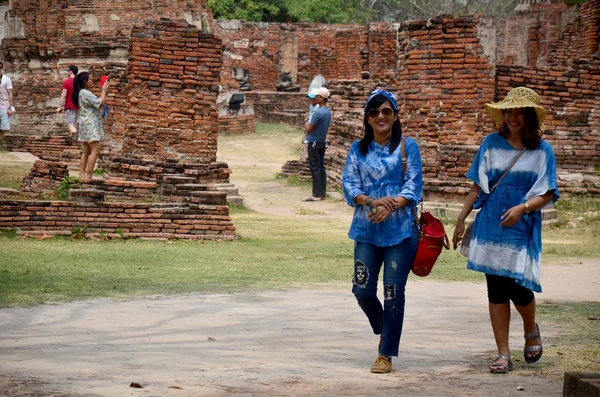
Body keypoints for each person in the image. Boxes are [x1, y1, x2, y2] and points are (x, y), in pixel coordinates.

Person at [452, 87, 559, 374]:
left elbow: (549, 193)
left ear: (529, 116)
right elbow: (477, 185)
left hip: (521, 225)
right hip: (490, 223)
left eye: (519, 112)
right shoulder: (490, 143)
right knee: (496, 288)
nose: (512, 117)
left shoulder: (542, 150)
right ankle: (503, 353)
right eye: (508, 111)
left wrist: (523, 208)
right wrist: (461, 220)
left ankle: (530, 328)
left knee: (519, 287)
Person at [342, 89, 423, 374]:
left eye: (386, 111)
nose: (380, 116)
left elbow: (414, 185)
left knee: (392, 292)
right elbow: (349, 186)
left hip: (401, 231)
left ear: (396, 116)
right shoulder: (358, 149)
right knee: (362, 290)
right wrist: (372, 202)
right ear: (367, 118)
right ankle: (385, 328)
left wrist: (393, 205)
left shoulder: (407, 147)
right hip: (366, 229)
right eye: (375, 112)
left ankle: (385, 353)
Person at [72, 71, 110, 180]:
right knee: (95, 150)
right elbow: (100, 103)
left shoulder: (81, 92)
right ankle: (89, 175)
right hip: (91, 124)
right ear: (84, 81)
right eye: (90, 79)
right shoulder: (85, 92)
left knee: (86, 151)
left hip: (85, 124)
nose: (92, 81)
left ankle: (82, 174)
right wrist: (104, 90)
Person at [303, 87, 332, 202]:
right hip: (322, 141)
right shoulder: (328, 112)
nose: (316, 98)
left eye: (318, 97)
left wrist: (305, 121)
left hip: (314, 141)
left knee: (314, 167)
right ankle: (322, 193)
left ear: (322, 98)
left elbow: (309, 128)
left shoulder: (319, 112)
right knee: (320, 167)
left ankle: (316, 194)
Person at [56, 65, 79, 134]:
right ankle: (74, 142)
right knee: (74, 124)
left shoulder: (67, 81)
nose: (67, 72)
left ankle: (78, 140)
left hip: (69, 106)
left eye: (67, 70)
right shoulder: (79, 82)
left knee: (70, 125)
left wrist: (59, 107)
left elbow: (63, 95)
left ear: (71, 71)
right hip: (78, 106)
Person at [0, 61, 15, 136]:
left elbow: (10, 94)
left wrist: (10, 107)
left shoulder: (6, 79)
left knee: (5, 129)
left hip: (4, 106)